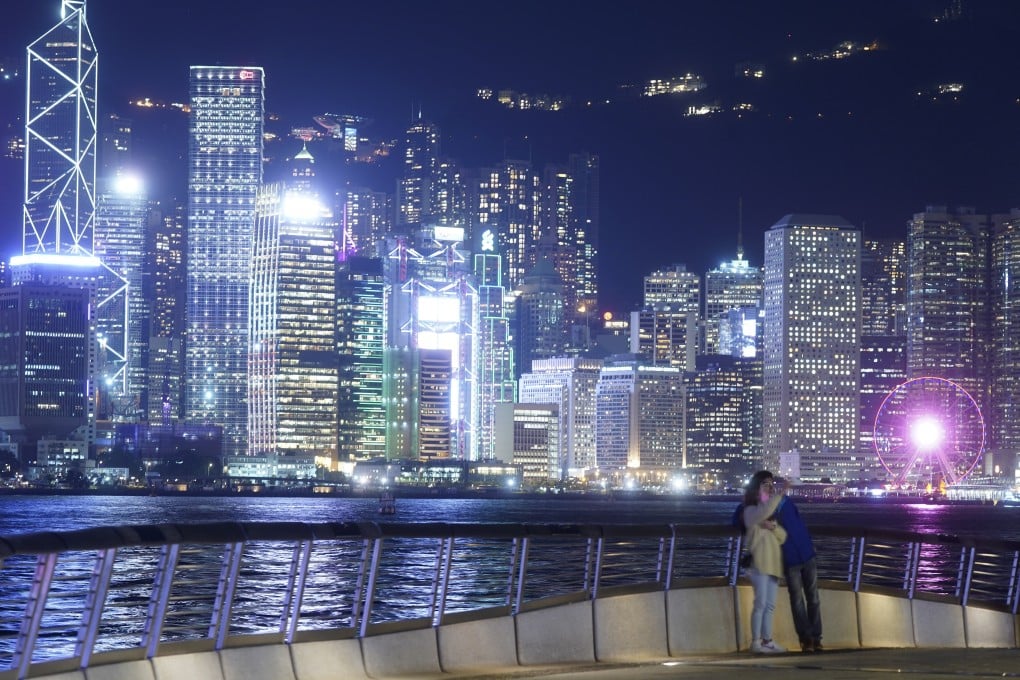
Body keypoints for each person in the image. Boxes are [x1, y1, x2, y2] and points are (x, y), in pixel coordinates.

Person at [773, 479, 823, 653]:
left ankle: (814, 637)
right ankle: (807, 637)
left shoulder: (787, 503)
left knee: (811, 598)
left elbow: (799, 524)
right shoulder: (767, 511)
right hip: (792, 557)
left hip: (806, 553)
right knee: (799, 600)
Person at [741, 470, 787, 654]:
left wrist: (773, 526)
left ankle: (767, 640)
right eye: (765, 484)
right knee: (760, 604)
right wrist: (781, 493)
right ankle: (755, 642)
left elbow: (783, 537)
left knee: (770, 605)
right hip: (759, 565)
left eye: (771, 484)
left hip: (773, 566)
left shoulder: (767, 514)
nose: (770, 487)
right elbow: (764, 512)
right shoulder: (751, 512)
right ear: (756, 488)